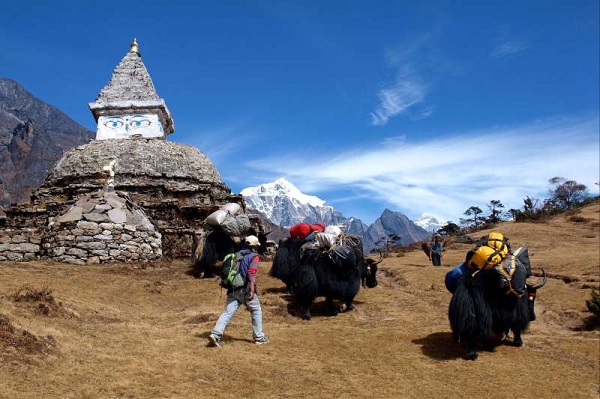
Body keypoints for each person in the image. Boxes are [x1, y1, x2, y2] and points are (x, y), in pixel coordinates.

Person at [208, 235, 269, 347]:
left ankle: (215, 334)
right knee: (256, 310)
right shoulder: (253, 256)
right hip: (245, 288)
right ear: (255, 246)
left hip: (232, 288)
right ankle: (259, 337)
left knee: (227, 312)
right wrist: (251, 290)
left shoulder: (237, 255)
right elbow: (251, 274)